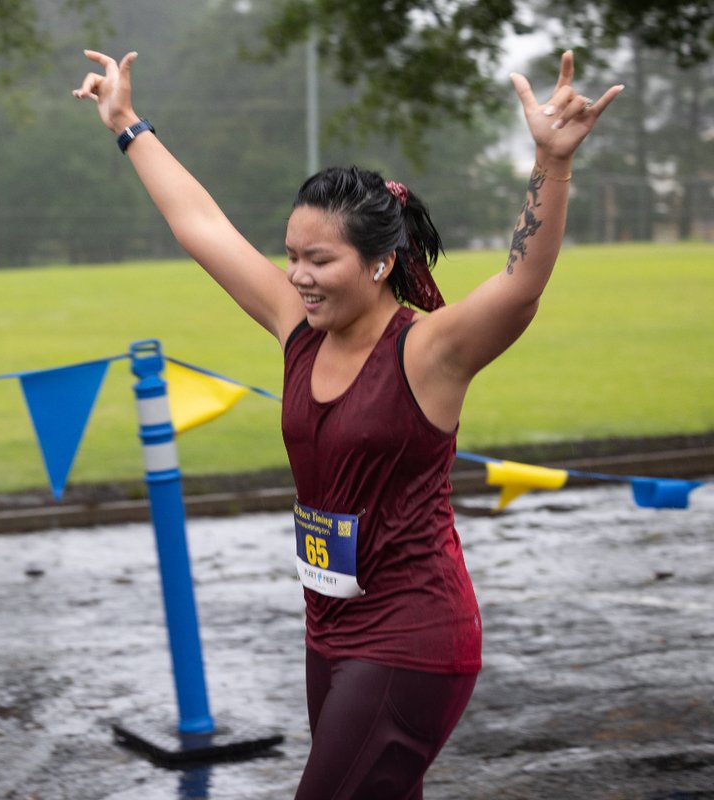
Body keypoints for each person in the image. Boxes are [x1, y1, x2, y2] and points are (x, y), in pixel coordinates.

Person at [74, 49, 622, 799]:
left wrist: (551, 162)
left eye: (319, 259)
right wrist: (127, 124)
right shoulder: (296, 329)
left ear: (377, 264)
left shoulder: (429, 352)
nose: (296, 275)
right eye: (291, 256)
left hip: (413, 634)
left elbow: (522, 283)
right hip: (328, 628)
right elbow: (199, 222)